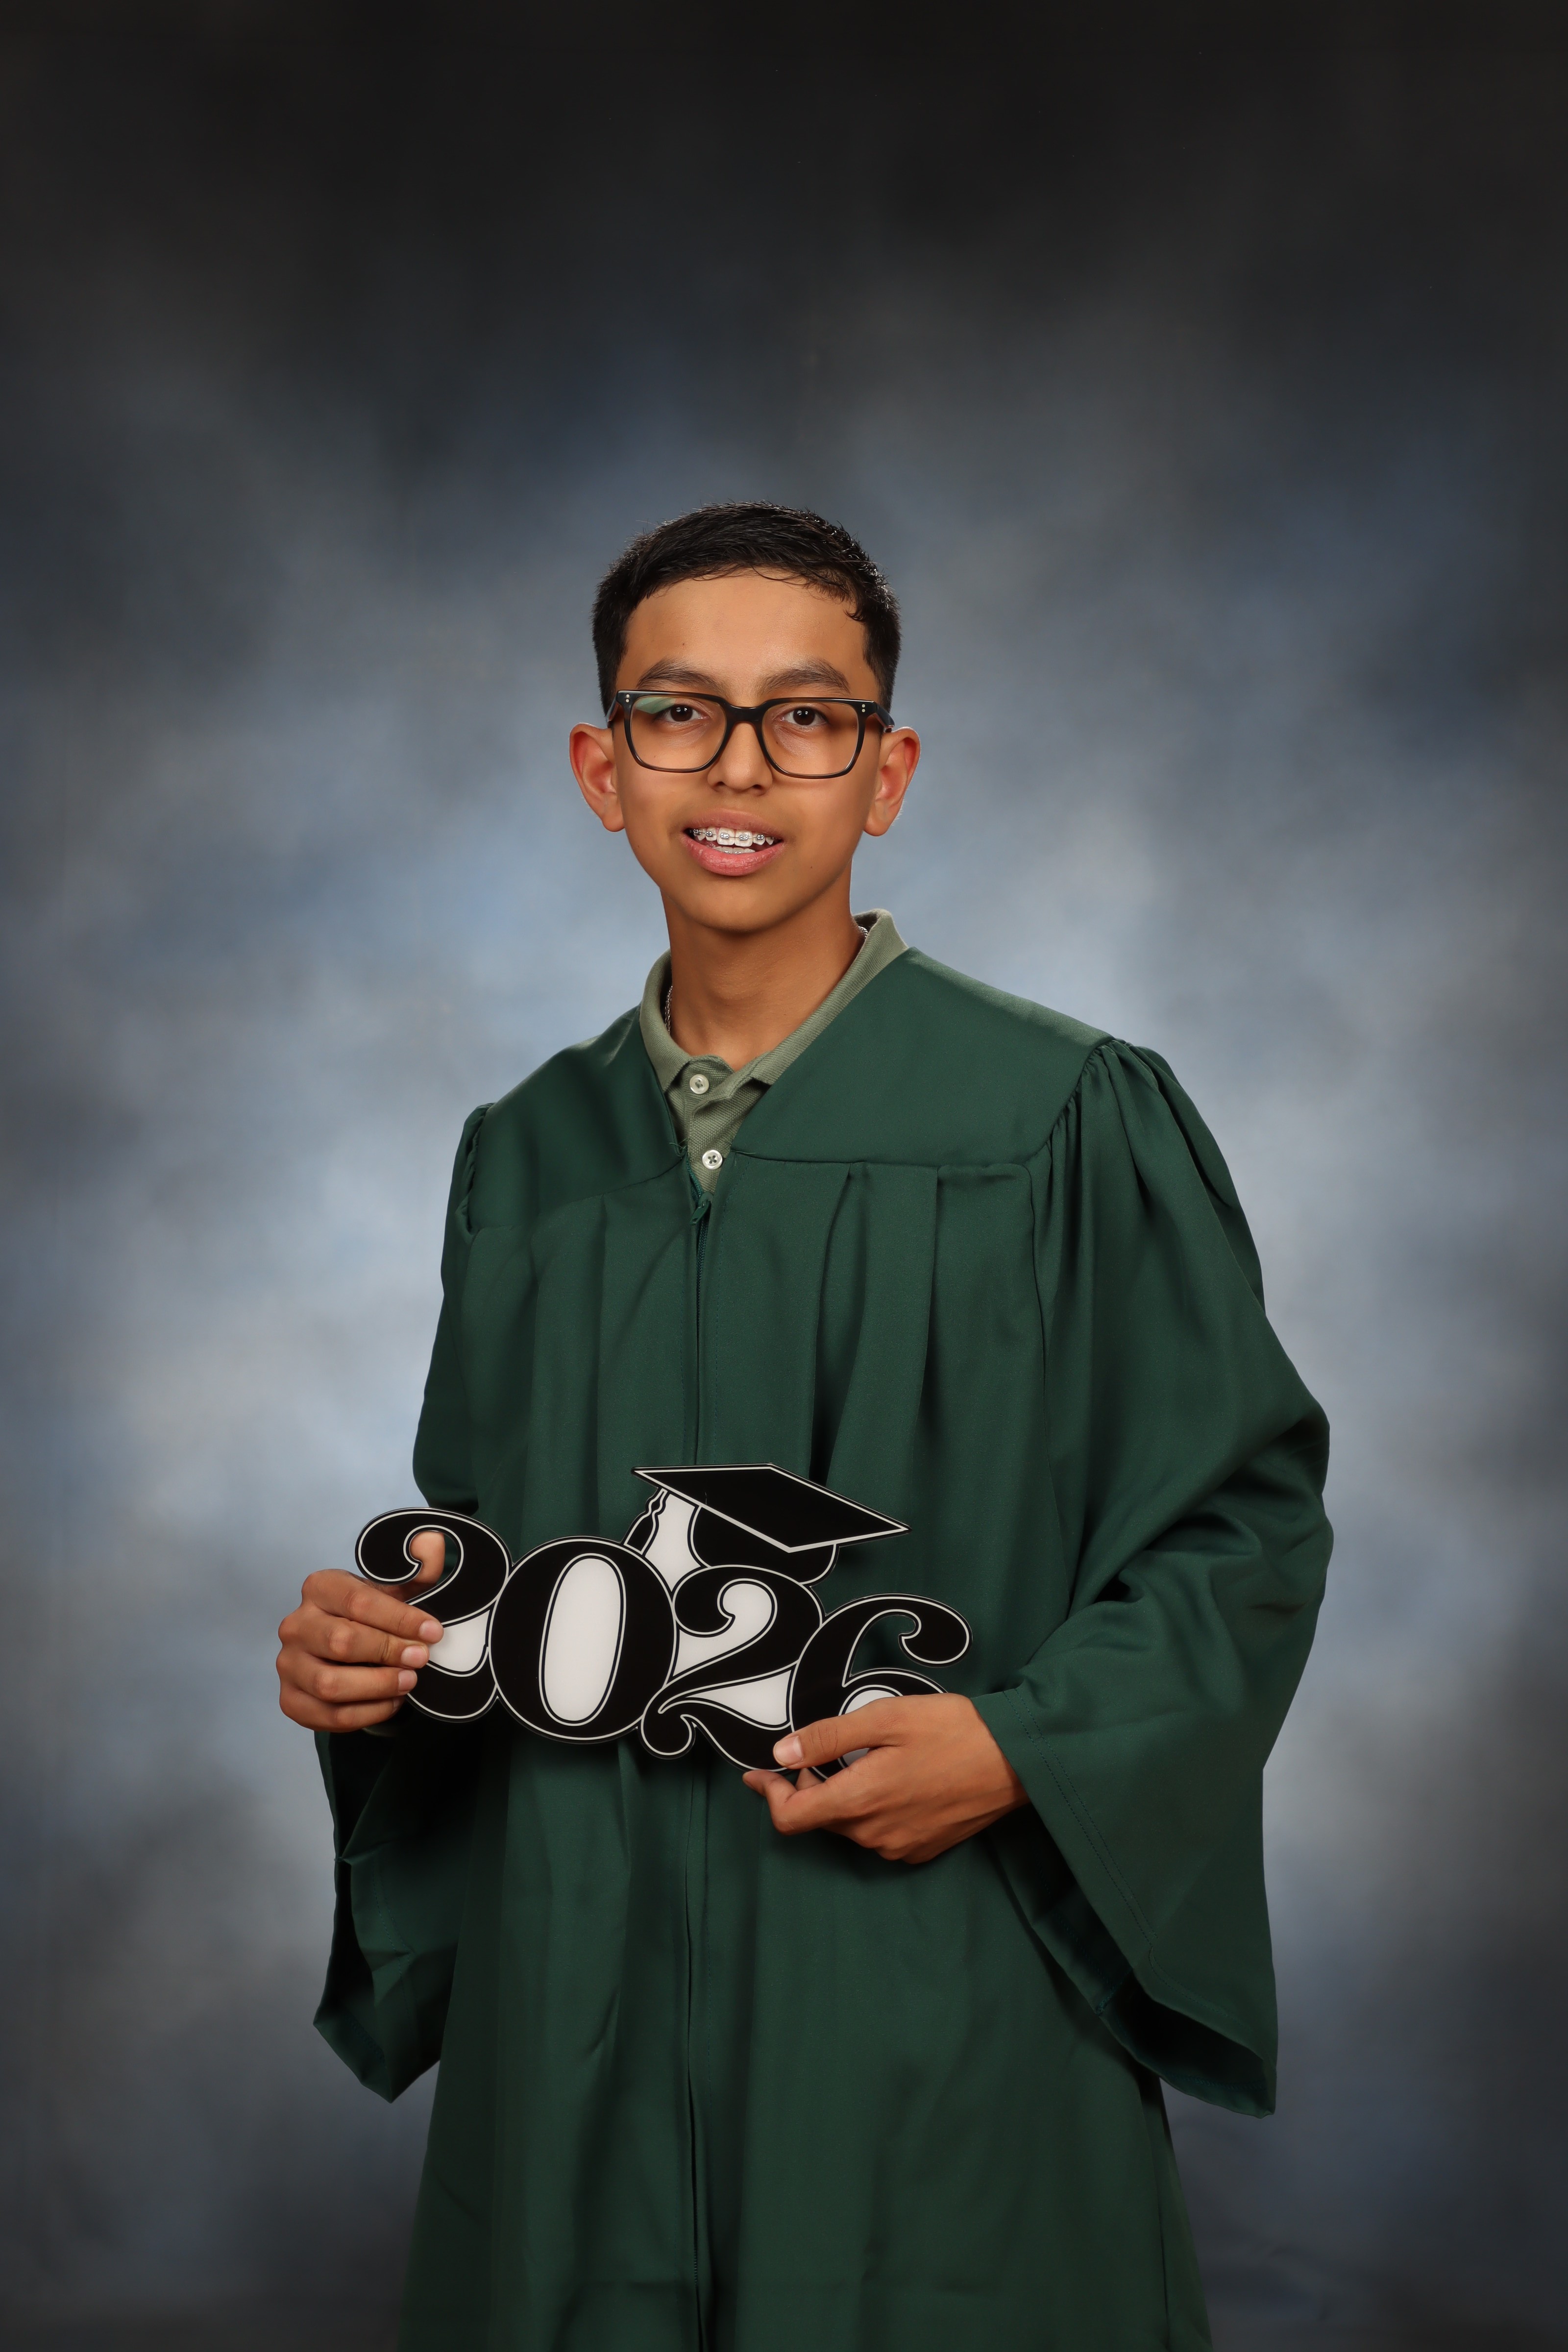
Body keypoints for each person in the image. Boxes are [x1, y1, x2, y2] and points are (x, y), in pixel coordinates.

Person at [276, 502, 1331, 2352]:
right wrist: (388, 1657)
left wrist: (1020, 1749)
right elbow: (493, 1557)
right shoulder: (526, 1157)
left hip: (929, 1971)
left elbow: (1236, 1526)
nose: (742, 766)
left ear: (886, 771)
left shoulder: (1068, 1116)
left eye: (808, 715)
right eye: (680, 712)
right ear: (604, 769)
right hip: (583, 1992)